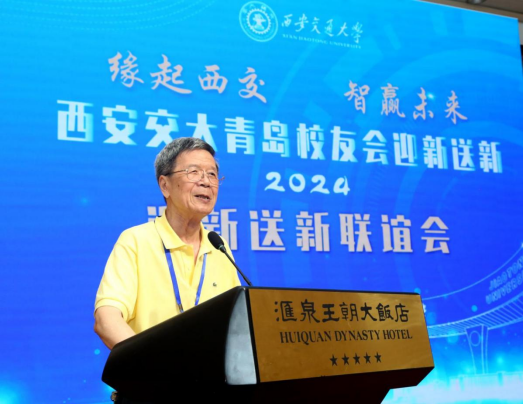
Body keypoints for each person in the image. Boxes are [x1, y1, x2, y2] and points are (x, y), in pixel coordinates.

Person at [94, 137, 241, 351]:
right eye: (194, 172)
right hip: (149, 371)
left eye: (212, 174)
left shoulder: (219, 247)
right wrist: (151, 363)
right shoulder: (136, 241)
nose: (206, 182)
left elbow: (237, 323)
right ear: (165, 185)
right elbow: (106, 318)